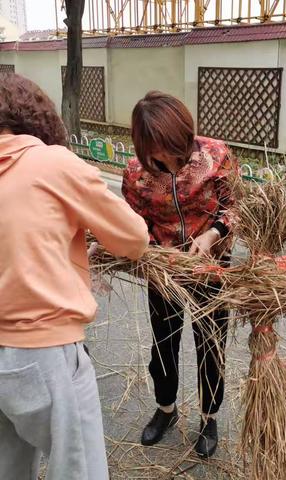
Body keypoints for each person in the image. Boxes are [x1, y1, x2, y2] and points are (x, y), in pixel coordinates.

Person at [0, 73, 150, 480]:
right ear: (40, 120)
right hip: (43, 352)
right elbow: (134, 238)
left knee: (8, 467)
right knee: (79, 468)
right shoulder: (52, 162)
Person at [122, 91, 237, 458]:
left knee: (211, 345)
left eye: (176, 149)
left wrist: (212, 234)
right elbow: (132, 220)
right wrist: (135, 244)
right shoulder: (135, 174)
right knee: (164, 343)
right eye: (159, 152)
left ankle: (208, 417)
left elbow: (238, 207)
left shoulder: (216, 155)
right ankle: (166, 409)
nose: (170, 160)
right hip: (164, 270)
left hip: (211, 266)